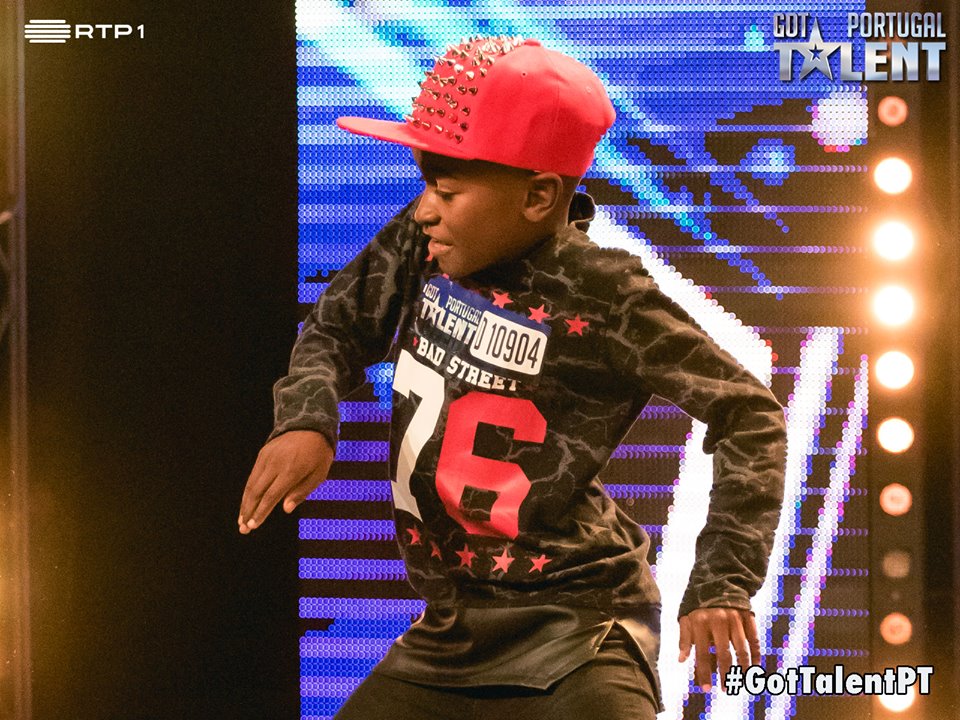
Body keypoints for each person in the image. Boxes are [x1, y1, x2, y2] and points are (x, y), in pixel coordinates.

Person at [238, 35, 786, 719]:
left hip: (577, 628)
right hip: (450, 630)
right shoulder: (421, 244)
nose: (424, 209)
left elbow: (749, 412)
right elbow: (336, 327)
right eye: (425, 186)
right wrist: (307, 419)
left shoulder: (603, 293)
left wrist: (724, 581)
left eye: (447, 191)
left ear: (538, 196)